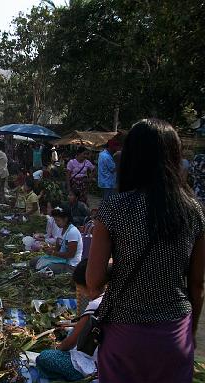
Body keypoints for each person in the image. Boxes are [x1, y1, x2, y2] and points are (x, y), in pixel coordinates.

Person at [87, 119, 205, 382]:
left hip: (125, 336)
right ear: (175, 157)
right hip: (175, 335)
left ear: (131, 157)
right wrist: (191, 330)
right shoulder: (194, 210)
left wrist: (118, 265)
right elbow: (197, 284)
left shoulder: (114, 208)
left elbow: (93, 282)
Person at [36, 259, 108, 381]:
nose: (82, 294)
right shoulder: (110, 297)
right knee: (70, 330)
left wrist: (58, 350)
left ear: (89, 284)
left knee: (44, 358)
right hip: (108, 358)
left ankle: (77, 376)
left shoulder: (95, 305)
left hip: (94, 366)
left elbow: (70, 343)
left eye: (81, 289)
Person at [30, 206, 83, 274]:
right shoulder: (61, 229)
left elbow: (71, 254)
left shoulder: (72, 232)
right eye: (55, 220)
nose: (56, 223)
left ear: (66, 219)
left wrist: (53, 253)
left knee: (45, 269)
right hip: (60, 259)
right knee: (33, 261)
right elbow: (58, 248)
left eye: (58, 220)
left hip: (70, 265)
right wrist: (49, 249)